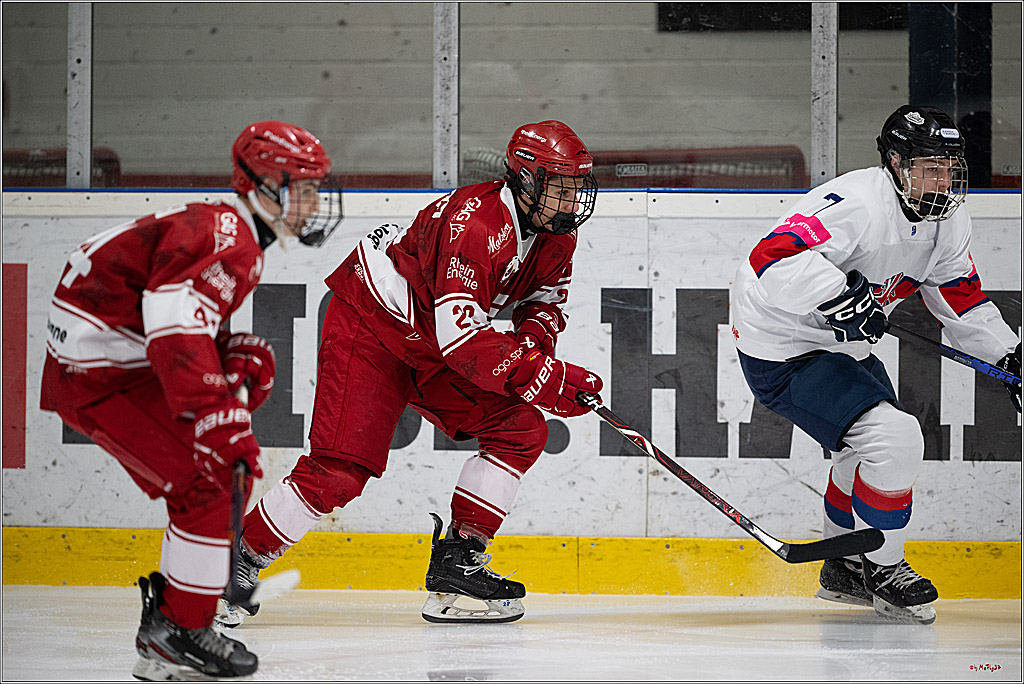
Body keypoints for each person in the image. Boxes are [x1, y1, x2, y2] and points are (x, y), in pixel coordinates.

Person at [218, 120, 603, 626]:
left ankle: (457, 567)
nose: (572, 198)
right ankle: (231, 570)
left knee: (520, 429)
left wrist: (536, 353)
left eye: (577, 185)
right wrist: (545, 378)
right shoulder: (479, 224)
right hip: (373, 326)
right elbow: (463, 340)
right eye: (561, 185)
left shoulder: (557, 235)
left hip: (432, 339)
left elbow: (543, 304)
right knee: (339, 473)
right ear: (526, 179)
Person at [40, 121, 342, 679]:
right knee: (215, 475)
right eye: (303, 187)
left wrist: (226, 360)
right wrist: (213, 411)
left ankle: (176, 624)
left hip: (110, 358)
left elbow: (171, 314)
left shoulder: (226, 229)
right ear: (264, 185)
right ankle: (182, 630)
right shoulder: (234, 238)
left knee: (225, 450)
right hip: (100, 372)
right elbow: (173, 319)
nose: (314, 202)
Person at [730, 104, 1021, 625]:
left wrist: (1009, 354)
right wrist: (839, 294)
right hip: (784, 343)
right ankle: (884, 569)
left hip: (841, 346)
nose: (942, 179)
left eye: (950, 167)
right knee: (896, 439)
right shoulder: (858, 203)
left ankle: (841, 566)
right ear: (894, 161)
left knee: (860, 451)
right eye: (928, 166)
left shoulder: (948, 218)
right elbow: (771, 258)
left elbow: (958, 293)